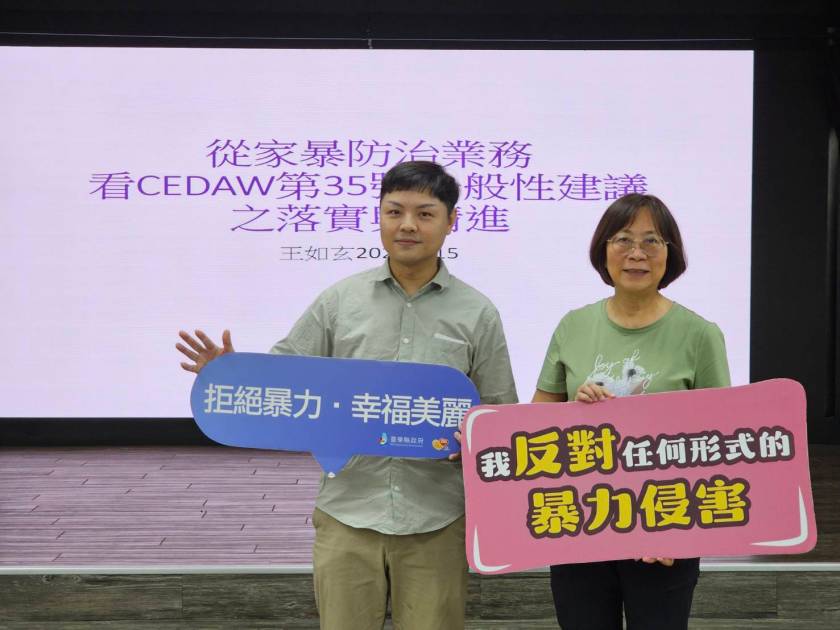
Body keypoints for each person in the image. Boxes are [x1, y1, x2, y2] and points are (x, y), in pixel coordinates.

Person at [176, 161, 518, 630]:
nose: (407, 225)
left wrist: (473, 444)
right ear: (379, 216)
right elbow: (286, 378)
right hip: (348, 512)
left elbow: (499, 416)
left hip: (437, 517)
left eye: (424, 213)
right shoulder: (340, 302)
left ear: (450, 221)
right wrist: (232, 375)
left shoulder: (477, 313)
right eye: (394, 211)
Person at [532, 193, 730, 630]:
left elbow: (720, 442)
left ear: (670, 254)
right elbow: (536, 427)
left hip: (664, 526)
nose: (636, 253)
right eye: (623, 239)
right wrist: (576, 411)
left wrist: (684, 530)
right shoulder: (572, 325)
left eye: (652, 241)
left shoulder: (700, 334)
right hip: (580, 521)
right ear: (603, 249)